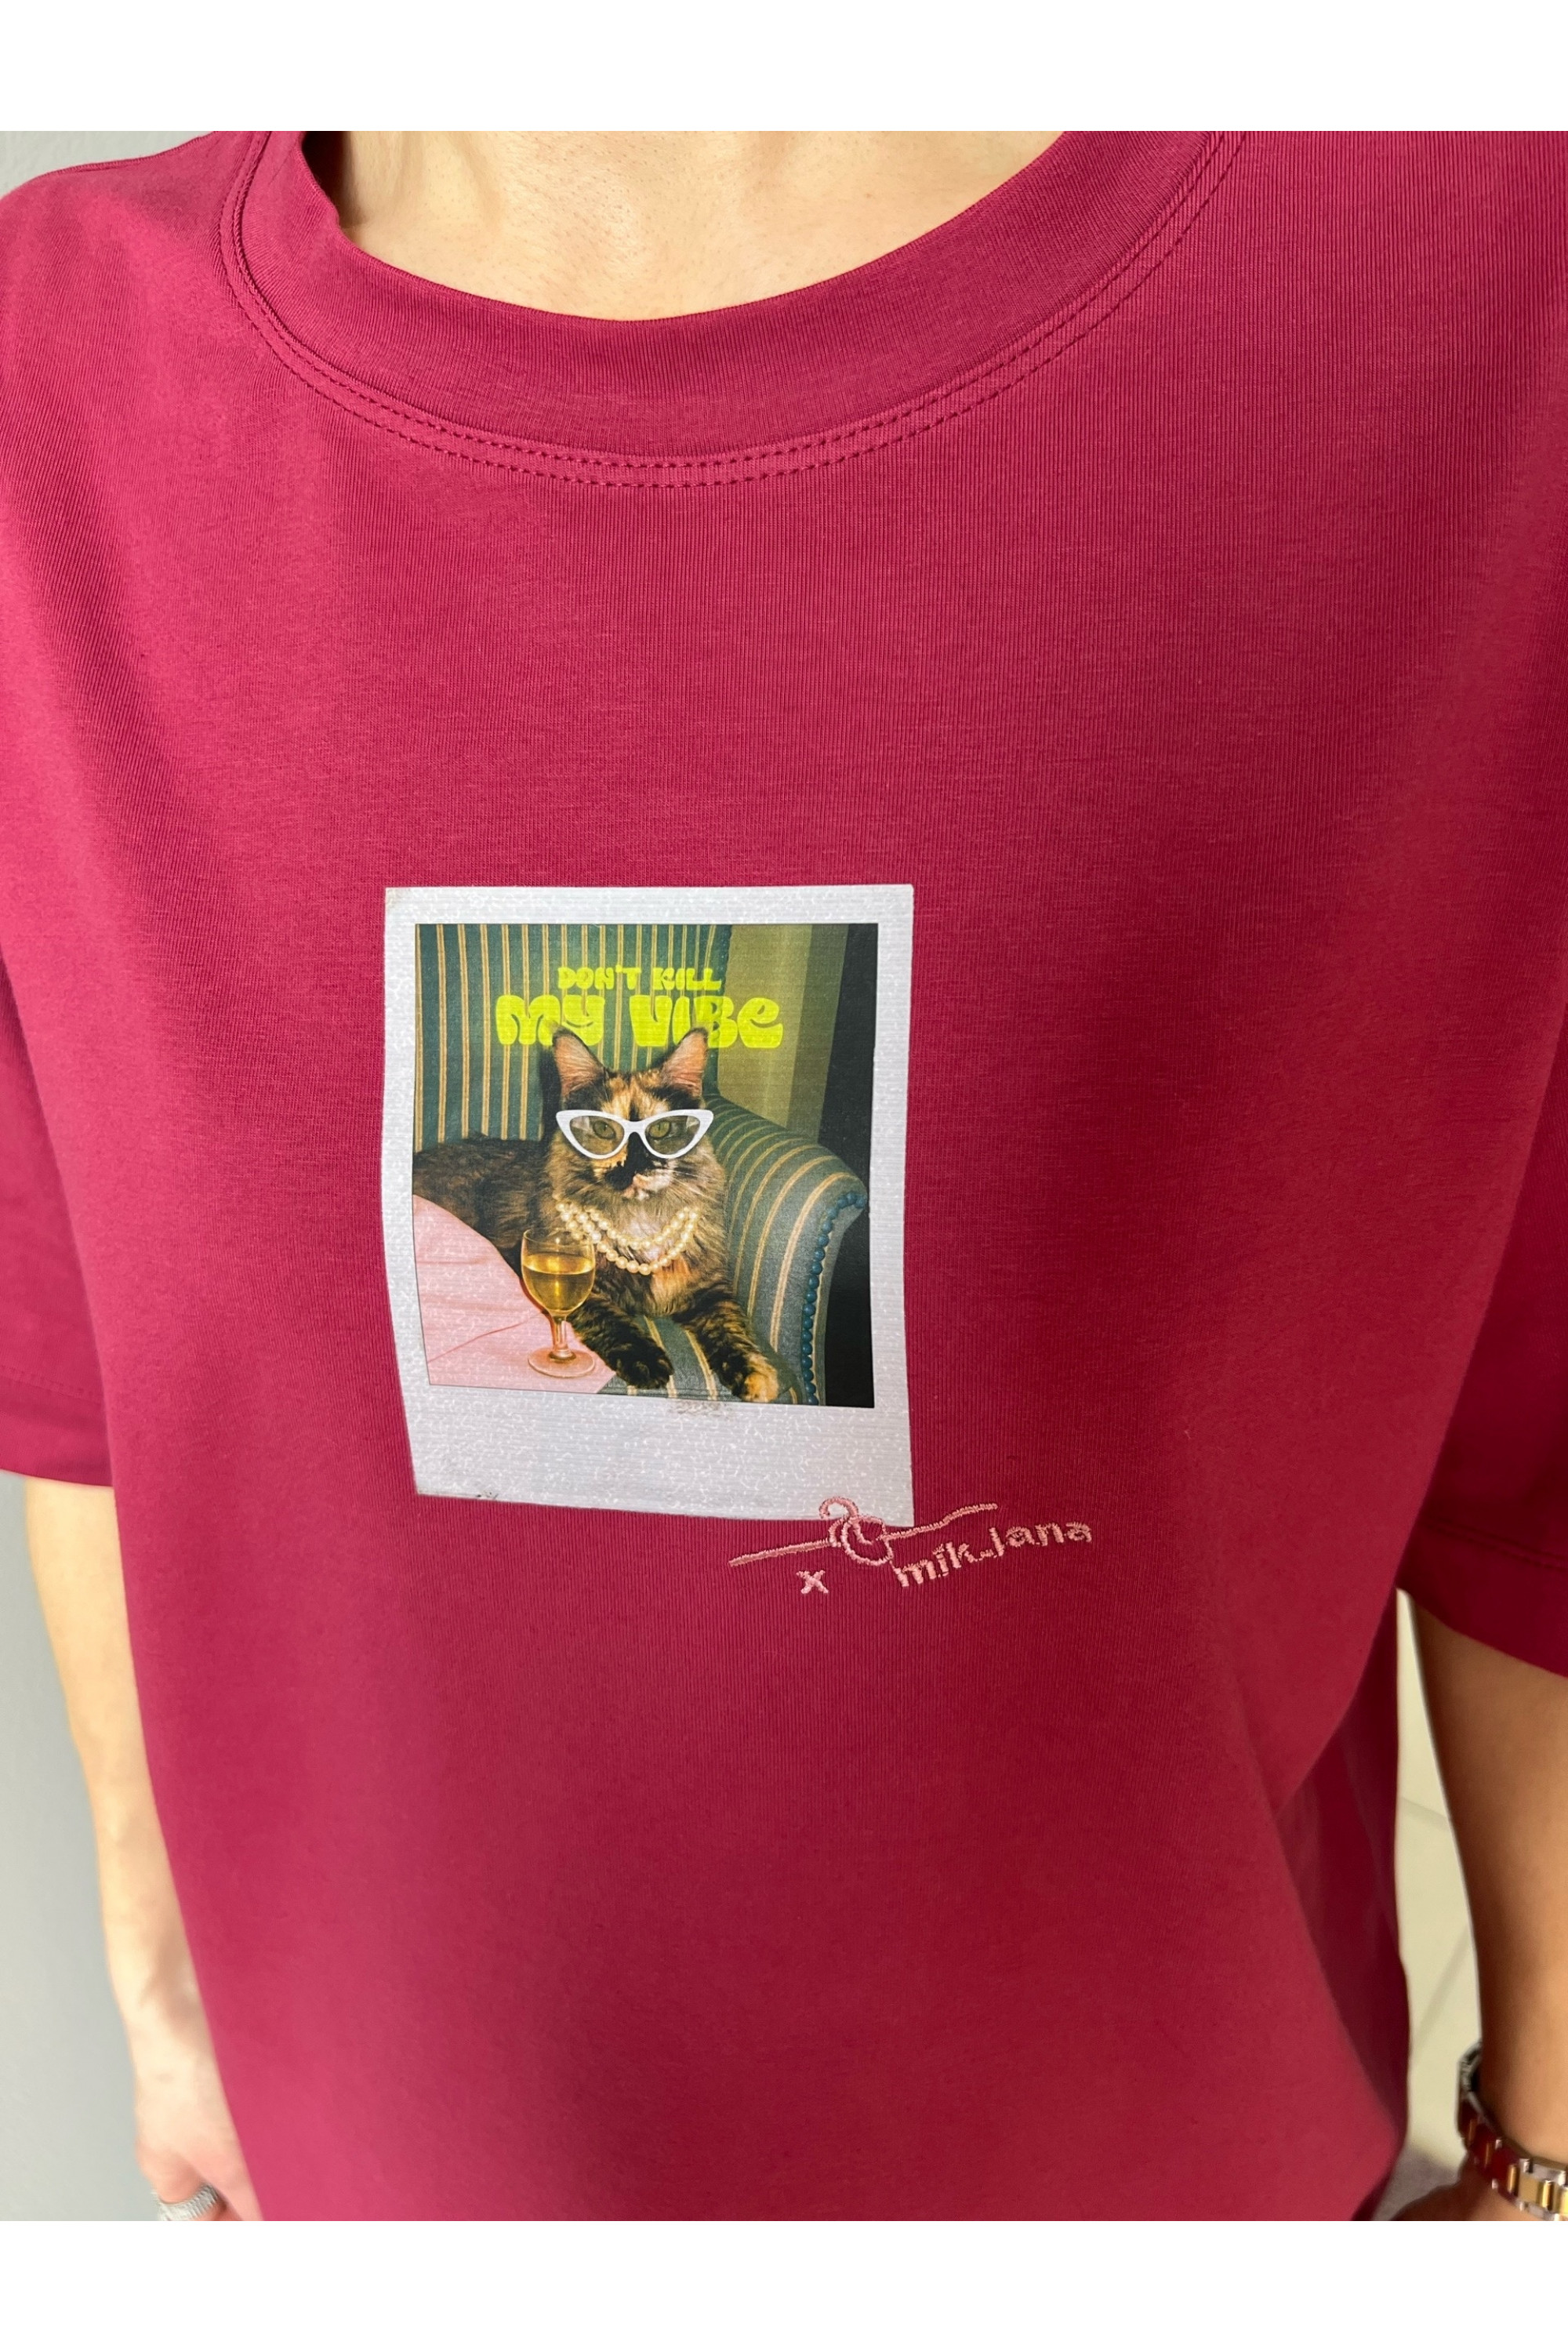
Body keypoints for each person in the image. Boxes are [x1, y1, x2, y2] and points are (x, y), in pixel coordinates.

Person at [2, 129, 1566, 2223]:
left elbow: (1537, 1448)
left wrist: (1547, 2159)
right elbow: (83, 1359)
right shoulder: (46, 346)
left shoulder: (1471, 241)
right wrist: (159, 1977)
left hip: (1153, 2174)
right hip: (369, 2166)